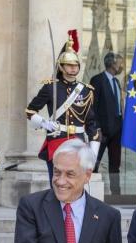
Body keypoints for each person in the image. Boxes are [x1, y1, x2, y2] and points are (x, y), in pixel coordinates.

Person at [25, 30, 99, 184]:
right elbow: (30, 110)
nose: (73, 68)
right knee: (58, 182)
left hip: (78, 141)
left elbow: (91, 123)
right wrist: (44, 122)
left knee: (76, 183)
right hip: (56, 139)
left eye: (75, 65)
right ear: (61, 66)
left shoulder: (86, 90)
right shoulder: (50, 87)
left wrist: (93, 153)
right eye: (69, 65)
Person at [90, 53, 123, 195]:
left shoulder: (116, 82)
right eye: (120, 63)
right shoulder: (97, 80)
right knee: (95, 161)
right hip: (102, 129)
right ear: (113, 65)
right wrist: (96, 128)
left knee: (115, 163)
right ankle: (92, 191)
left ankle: (116, 194)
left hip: (117, 127)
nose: (122, 66)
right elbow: (93, 106)